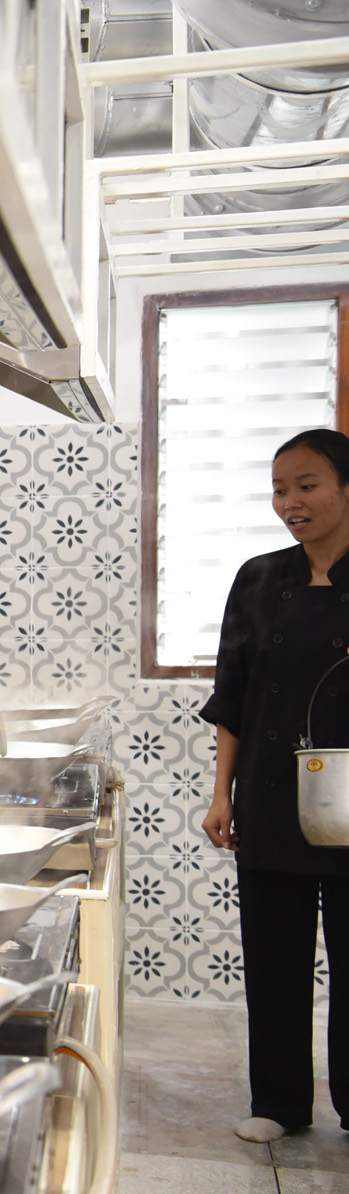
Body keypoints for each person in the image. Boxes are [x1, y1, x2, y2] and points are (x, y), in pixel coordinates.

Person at [202, 428, 349, 1144]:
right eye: (280, 489)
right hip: (268, 793)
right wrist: (221, 793)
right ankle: (280, 1102)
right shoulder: (257, 578)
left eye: (307, 486)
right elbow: (232, 695)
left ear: (345, 488)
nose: (290, 502)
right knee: (272, 957)